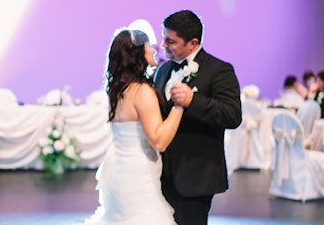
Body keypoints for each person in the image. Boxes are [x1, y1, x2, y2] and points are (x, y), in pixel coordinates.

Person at [84, 29, 184, 225]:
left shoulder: (118, 89)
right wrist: (179, 106)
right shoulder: (142, 91)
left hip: (120, 171)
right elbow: (159, 141)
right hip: (139, 176)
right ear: (137, 52)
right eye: (149, 46)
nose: (155, 50)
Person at [153, 10, 242, 225]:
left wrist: (193, 101)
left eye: (170, 41)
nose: (163, 45)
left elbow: (232, 116)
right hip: (159, 174)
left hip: (195, 177)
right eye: (164, 38)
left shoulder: (219, 70)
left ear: (193, 43)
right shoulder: (163, 70)